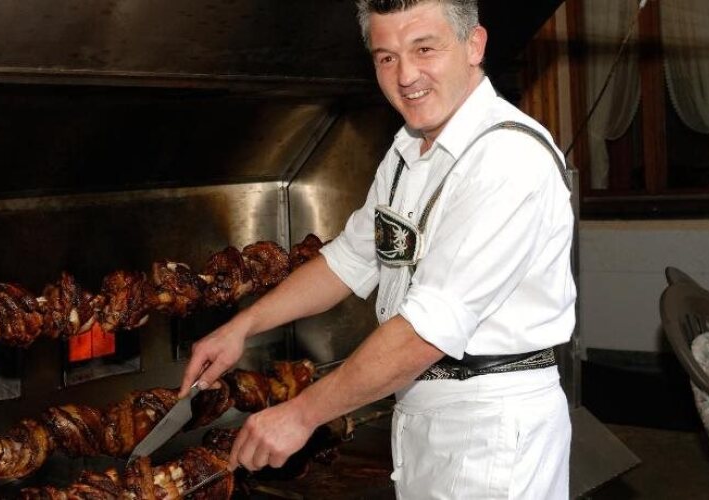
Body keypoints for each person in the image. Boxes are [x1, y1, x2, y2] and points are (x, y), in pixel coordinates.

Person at [180, 0, 576, 498]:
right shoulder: (408, 148)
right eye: (387, 57)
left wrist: (302, 414)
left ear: (474, 45)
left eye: (424, 49)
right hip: (424, 414)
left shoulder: (506, 159)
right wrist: (242, 326)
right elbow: (347, 261)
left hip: (491, 432)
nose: (405, 76)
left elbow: (425, 331)